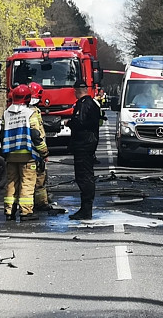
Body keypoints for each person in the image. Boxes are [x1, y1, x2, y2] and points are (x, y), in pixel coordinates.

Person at [2, 84, 49, 221]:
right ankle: (26, 212)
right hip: (28, 156)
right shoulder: (30, 113)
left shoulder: (6, 113)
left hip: (11, 155)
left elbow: (2, 134)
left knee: (11, 183)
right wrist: (44, 152)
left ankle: (9, 211)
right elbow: (35, 134)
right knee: (27, 183)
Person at [67, 80, 101, 220]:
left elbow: (80, 123)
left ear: (77, 90)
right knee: (86, 176)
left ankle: (86, 210)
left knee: (83, 177)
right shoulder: (93, 103)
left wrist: (70, 123)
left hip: (83, 144)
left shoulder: (83, 105)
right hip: (88, 143)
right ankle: (85, 208)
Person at [29, 82, 53, 212]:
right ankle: (41, 202)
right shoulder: (33, 112)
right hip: (35, 150)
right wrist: (44, 151)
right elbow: (36, 132)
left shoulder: (25, 110)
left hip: (29, 150)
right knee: (40, 178)